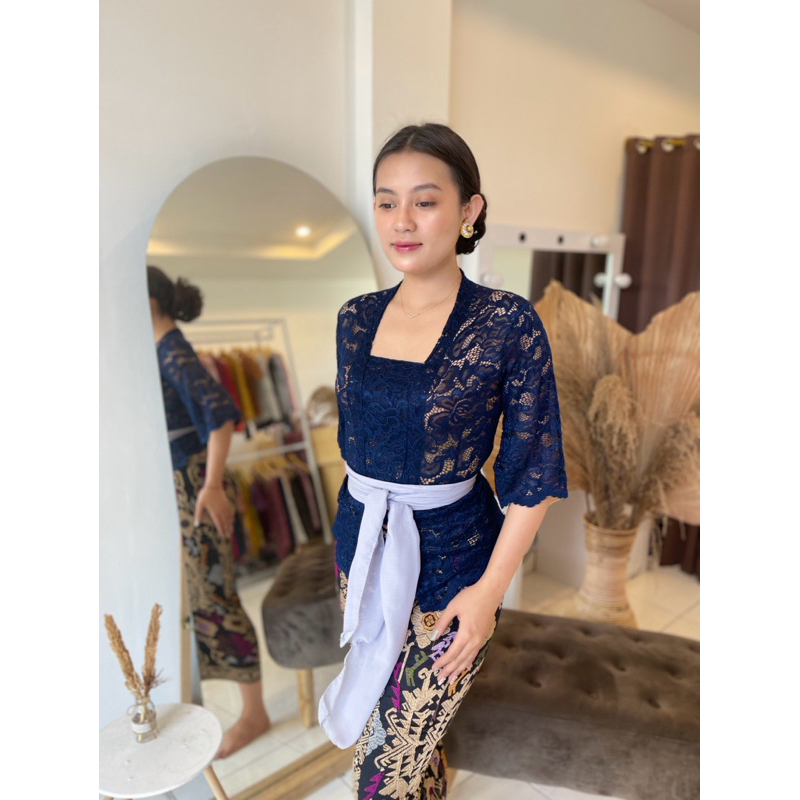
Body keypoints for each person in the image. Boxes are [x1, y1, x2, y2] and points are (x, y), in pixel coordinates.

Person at [318, 122, 569, 799]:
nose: (402, 220)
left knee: (379, 776)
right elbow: (361, 446)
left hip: (456, 571)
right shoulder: (354, 318)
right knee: (406, 744)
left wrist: (488, 596)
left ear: (468, 211)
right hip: (362, 549)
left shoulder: (506, 322)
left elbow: (534, 473)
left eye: (425, 201)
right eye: (386, 201)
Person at [147, 265, 272, 759]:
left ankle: (254, 713)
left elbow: (220, 416)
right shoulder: (160, 350)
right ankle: (226, 707)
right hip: (186, 488)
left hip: (197, 489)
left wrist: (213, 484)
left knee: (217, 598)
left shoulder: (170, 350)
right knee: (201, 599)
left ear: (148, 303)